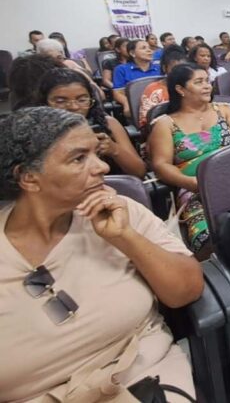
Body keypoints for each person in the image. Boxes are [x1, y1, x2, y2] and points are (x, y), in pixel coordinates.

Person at [0, 107, 203, 401]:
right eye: (79, 158)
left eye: (97, 153)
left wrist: (125, 237)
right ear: (29, 178)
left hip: (140, 375)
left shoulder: (120, 210)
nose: (103, 167)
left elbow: (186, 290)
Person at [148, 64, 230, 256]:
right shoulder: (166, 123)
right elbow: (161, 165)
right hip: (195, 191)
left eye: (207, 81)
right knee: (212, 237)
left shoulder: (225, 111)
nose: (207, 86)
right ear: (180, 89)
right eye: (199, 82)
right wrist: (192, 183)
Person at [38, 68, 147, 178]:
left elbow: (139, 172)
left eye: (82, 100)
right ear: (44, 103)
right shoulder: (36, 132)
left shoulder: (107, 124)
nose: (74, 107)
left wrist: (114, 149)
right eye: (61, 101)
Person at [138, 45, 188, 129]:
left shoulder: (190, 86)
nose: (180, 73)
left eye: (184, 69)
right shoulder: (154, 90)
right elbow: (146, 121)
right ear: (165, 68)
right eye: (175, 69)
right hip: (162, 131)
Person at [112, 40, 162, 119]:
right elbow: (118, 93)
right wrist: (127, 103)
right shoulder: (121, 69)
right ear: (132, 53)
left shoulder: (160, 68)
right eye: (143, 48)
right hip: (136, 107)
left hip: (159, 105)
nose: (149, 50)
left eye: (149, 48)